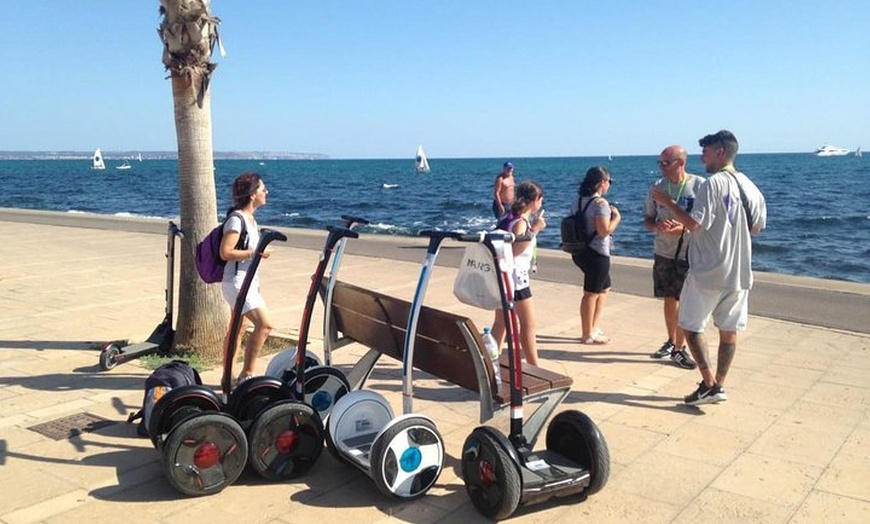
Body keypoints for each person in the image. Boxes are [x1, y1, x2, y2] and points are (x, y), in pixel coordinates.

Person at [652, 130, 767, 406]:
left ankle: (709, 383)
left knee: (690, 326)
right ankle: (720, 385)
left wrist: (668, 203)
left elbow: (694, 224)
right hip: (739, 273)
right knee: (729, 330)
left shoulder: (711, 184)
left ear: (720, 152)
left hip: (707, 270)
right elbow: (757, 227)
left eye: (706, 151)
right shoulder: (750, 186)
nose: (701, 156)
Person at [643, 145, 703, 370]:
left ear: (681, 162)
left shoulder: (699, 186)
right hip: (664, 252)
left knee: (687, 301)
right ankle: (672, 341)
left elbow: (704, 224)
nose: (661, 167)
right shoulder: (657, 188)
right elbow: (647, 219)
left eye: (666, 163)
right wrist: (657, 226)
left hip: (691, 253)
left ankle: (681, 347)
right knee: (670, 298)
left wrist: (684, 229)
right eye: (659, 162)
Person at [220, 172, 274, 385]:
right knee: (265, 325)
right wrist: (256, 253)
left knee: (238, 328)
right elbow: (226, 252)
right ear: (252, 195)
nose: (266, 192)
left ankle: (228, 377)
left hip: (248, 281)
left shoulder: (250, 219)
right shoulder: (236, 219)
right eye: (262, 189)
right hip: (236, 281)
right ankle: (247, 375)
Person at [490, 180, 547, 366]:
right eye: (540, 199)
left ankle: (490, 361)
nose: (541, 203)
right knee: (529, 325)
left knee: (501, 323)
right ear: (534, 201)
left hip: (504, 277)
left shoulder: (508, 217)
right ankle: (534, 366)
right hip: (517, 280)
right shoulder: (521, 222)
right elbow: (514, 250)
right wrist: (535, 229)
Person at [571, 166, 621, 345]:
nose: (609, 185)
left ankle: (594, 326)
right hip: (597, 253)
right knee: (591, 293)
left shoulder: (578, 201)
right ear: (602, 182)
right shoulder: (601, 204)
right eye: (609, 181)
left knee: (604, 288)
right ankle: (587, 334)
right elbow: (604, 230)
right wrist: (616, 218)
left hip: (581, 251)